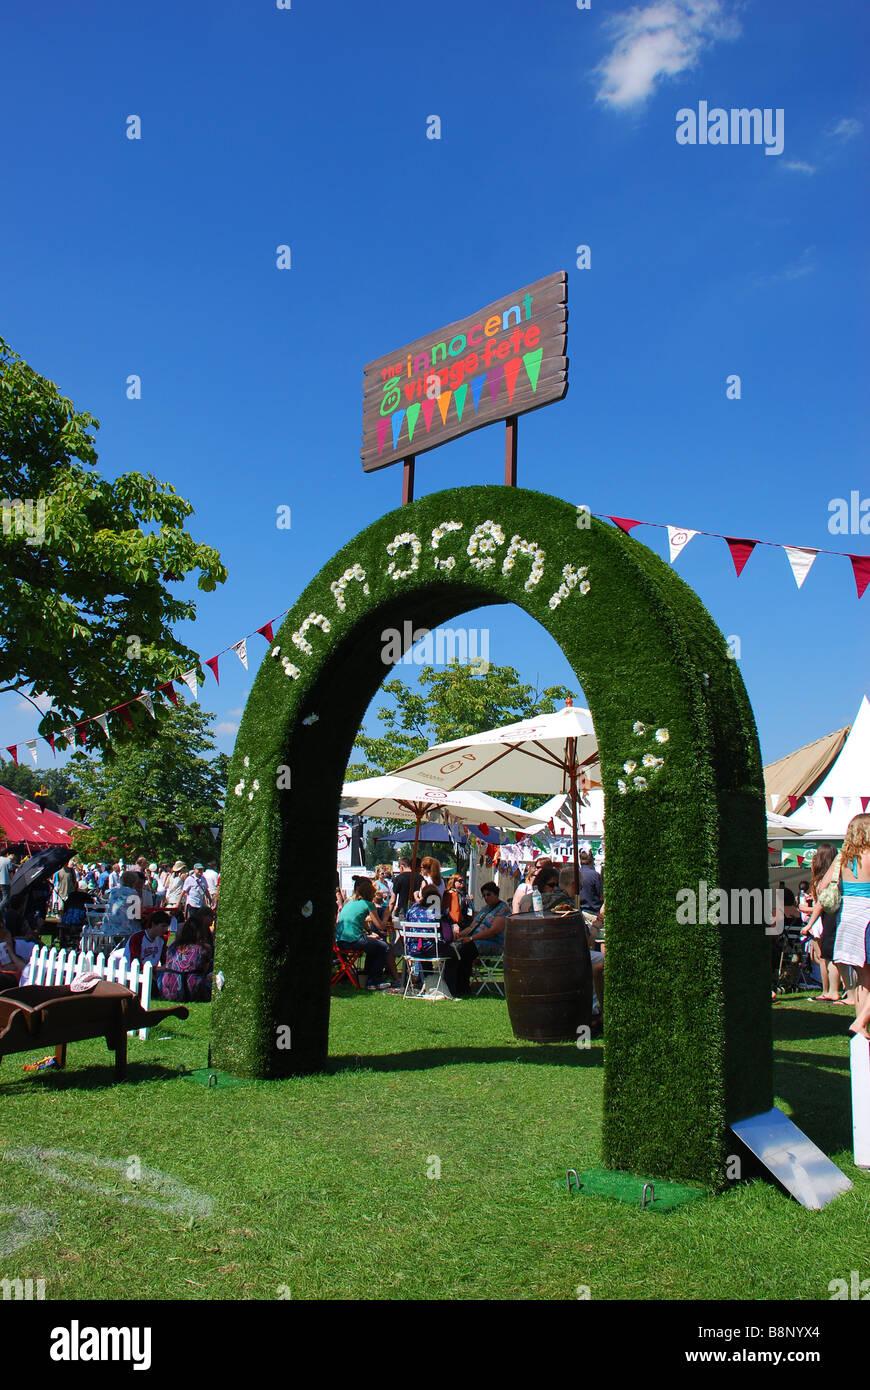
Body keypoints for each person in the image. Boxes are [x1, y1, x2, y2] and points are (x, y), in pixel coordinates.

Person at [807, 815, 870, 1029]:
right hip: (867, 918)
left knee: (862, 979)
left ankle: (860, 1027)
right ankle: (861, 1023)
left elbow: (822, 887)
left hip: (847, 918)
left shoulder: (842, 856)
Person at [800, 845, 849, 1003]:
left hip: (823, 920)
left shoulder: (826, 879)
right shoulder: (839, 876)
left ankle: (830, 990)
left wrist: (808, 913)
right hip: (829, 919)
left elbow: (821, 904)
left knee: (826, 956)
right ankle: (836, 990)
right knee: (826, 957)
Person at [336, 876, 398, 990]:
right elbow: (380, 926)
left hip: (339, 941)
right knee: (384, 947)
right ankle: (375, 980)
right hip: (353, 940)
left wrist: (369, 932)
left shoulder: (349, 903)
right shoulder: (368, 904)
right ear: (370, 894)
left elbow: (360, 920)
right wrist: (386, 915)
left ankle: (368, 978)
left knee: (374, 946)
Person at [451, 881, 510, 996]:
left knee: (466, 950)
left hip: (494, 943)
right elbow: (472, 927)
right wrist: (459, 936)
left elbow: (494, 931)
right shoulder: (485, 909)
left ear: (496, 894)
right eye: (484, 895)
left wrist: (472, 938)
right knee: (455, 948)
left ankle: (463, 987)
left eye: (489, 894)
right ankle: (454, 985)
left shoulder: (503, 909)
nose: (486, 897)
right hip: (475, 940)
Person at [158, 918, 213, 1003]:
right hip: (192, 991)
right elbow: (204, 970)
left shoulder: (172, 946)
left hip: (169, 990)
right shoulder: (204, 949)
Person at [181, 863, 213, 929]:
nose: (200, 871)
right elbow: (183, 891)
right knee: (192, 920)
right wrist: (178, 902)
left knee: (199, 920)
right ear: (194, 869)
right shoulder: (189, 879)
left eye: (201, 870)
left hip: (200, 903)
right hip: (192, 903)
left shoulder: (203, 879)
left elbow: (206, 890)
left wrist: (210, 899)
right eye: (198, 870)